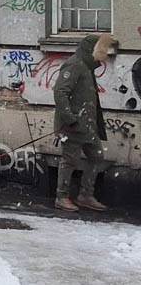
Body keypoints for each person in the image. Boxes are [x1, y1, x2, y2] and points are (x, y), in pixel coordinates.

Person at [52, 33, 114, 212]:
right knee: (69, 160)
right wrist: (69, 118)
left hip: (87, 126)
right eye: (101, 50)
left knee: (97, 157)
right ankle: (61, 197)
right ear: (91, 49)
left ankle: (86, 195)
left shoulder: (87, 67)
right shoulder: (75, 65)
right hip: (72, 126)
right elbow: (60, 92)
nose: (104, 55)